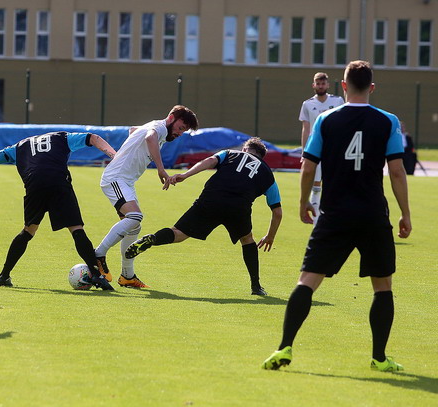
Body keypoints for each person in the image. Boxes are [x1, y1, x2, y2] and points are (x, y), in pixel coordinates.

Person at [262, 60, 412, 372]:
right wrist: (405, 214)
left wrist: (304, 202)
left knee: (307, 281)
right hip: (373, 213)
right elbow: (397, 172)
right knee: (382, 286)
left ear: (342, 86)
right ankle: (379, 358)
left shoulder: (326, 120)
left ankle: (284, 347)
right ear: (371, 87)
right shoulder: (388, 121)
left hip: (334, 213)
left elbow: (308, 166)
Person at [125, 137, 282, 295]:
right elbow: (277, 212)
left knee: (179, 233)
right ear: (261, 156)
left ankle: (153, 239)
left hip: (211, 198)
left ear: (245, 149)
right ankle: (256, 286)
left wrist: (186, 175)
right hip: (238, 208)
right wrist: (270, 236)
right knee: (247, 239)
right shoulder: (267, 174)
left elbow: (209, 161)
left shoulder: (230, 153)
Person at [0, 131, 117, 291]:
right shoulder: (62, 137)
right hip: (58, 182)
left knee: (28, 231)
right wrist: (114, 155)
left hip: (34, 184)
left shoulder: (18, 147)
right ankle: (96, 275)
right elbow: (93, 138)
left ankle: (4, 275)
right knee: (76, 228)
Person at [95, 105, 199, 288]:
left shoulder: (157, 127)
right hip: (116, 178)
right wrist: (161, 169)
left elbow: (133, 130)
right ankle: (98, 254)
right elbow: (149, 137)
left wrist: (130, 146)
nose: (180, 133)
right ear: (171, 118)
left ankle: (127, 276)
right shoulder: (159, 128)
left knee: (134, 226)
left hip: (125, 181)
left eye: (184, 131)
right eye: (180, 128)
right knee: (135, 216)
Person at [299, 72, 344, 224]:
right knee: (316, 183)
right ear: (313, 85)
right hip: (315, 148)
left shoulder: (337, 101)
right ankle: (316, 218)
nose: (320, 86)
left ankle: (336, 215)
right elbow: (306, 128)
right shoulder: (307, 104)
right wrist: (304, 151)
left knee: (335, 182)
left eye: (323, 83)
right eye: (318, 84)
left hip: (334, 147)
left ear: (328, 85)